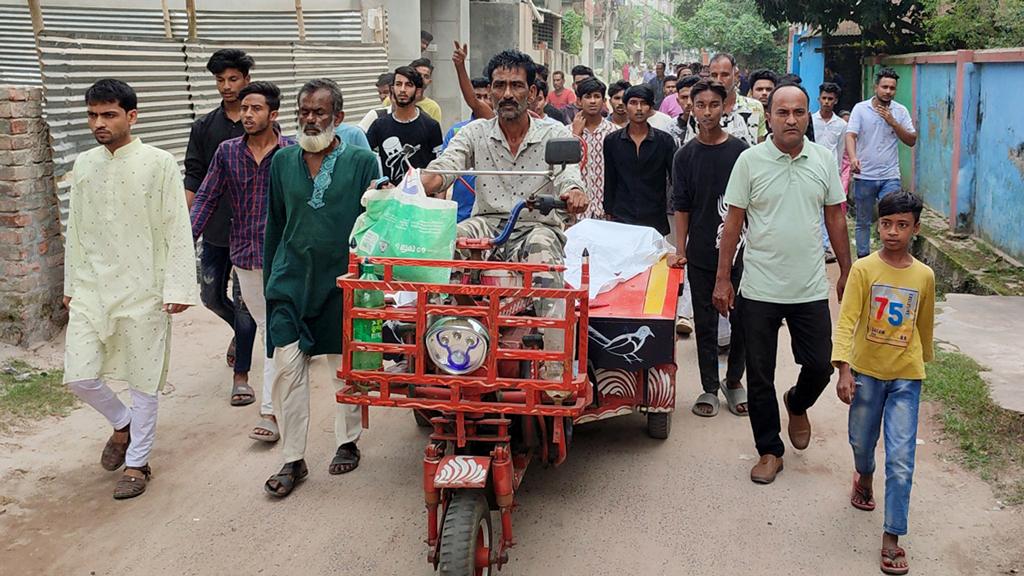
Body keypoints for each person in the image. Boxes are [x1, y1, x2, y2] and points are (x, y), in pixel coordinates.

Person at [64, 79, 197, 499]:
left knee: (143, 379)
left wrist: (177, 284)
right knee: (79, 375)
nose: (99, 123)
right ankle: (122, 423)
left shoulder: (158, 163)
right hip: (92, 288)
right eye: (92, 115)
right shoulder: (84, 164)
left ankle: (138, 462)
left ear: (131, 116)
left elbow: (177, 226)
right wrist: (71, 284)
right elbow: (77, 228)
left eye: (108, 114)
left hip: (145, 288)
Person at [421, 49, 588, 382]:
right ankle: (442, 345)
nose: (507, 94)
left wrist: (574, 194)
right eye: (499, 85)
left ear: (532, 92)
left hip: (535, 224)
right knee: (448, 240)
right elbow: (446, 166)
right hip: (488, 222)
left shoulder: (553, 133)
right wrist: (419, 183)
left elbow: (570, 176)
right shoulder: (474, 133)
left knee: (542, 249)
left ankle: (554, 361)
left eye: (516, 85)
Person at [713, 83, 852, 485]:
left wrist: (848, 271)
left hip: (808, 287)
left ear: (808, 116)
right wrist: (723, 279)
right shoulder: (750, 162)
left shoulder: (823, 159)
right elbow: (733, 224)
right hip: (758, 288)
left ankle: (797, 402)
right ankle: (770, 450)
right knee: (759, 375)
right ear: (769, 116)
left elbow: (836, 218)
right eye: (783, 113)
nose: (791, 120)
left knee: (820, 365)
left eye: (799, 112)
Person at [262, 78, 380, 497]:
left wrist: (371, 282)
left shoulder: (363, 161)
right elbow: (274, 224)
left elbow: (375, 224)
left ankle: (347, 440)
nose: (311, 120)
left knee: (342, 369)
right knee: (287, 368)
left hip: (344, 280)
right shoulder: (281, 162)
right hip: (290, 281)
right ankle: (293, 458)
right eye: (305, 112)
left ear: (339, 118)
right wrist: (269, 280)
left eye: (320, 113)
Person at [834, 191, 934, 576]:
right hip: (866, 374)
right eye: (887, 224)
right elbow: (847, 320)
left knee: (901, 458)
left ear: (916, 228)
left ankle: (892, 537)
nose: (893, 232)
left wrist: (922, 363)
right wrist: (844, 368)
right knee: (862, 441)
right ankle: (864, 476)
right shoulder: (863, 270)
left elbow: (923, 326)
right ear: (878, 225)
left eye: (902, 225)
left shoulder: (924, 276)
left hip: (906, 378)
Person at [191, 81, 295, 444]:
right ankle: (276, 403)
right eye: (245, 109)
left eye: (255, 109)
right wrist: (183, 241)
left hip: (287, 258)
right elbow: (205, 198)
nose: (247, 115)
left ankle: (270, 410)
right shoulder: (227, 153)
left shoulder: (293, 153)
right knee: (271, 330)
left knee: (275, 331)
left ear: (274, 114)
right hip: (247, 258)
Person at [670, 80, 749, 418]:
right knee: (705, 321)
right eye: (699, 105)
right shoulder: (684, 156)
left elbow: (753, 204)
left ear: (724, 106)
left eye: (713, 105)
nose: (706, 112)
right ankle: (709, 386)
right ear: (691, 108)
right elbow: (682, 207)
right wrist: (681, 249)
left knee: (744, 318)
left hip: (743, 250)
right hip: (701, 249)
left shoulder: (743, 152)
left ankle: (734, 381)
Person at [184, 48, 258, 408]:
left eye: (233, 79)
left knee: (247, 306)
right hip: (214, 230)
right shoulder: (203, 127)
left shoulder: (262, 126)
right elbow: (194, 178)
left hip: (251, 234)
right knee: (210, 296)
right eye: (220, 80)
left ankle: (240, 377)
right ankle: (239, 333)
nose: (226, 86)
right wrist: (187, 230)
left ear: (246, 79)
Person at [846, 68, 917, 259]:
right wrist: (853, 158)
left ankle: (892, 256)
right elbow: (851, 135)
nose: (888, 91)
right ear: (875, 87)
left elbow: (911, 140)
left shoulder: (900, 111)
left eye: (892, 88)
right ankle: (863, 260)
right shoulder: (861, 109)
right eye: (884, 87)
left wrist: (892, 122)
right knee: (863, 221)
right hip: (865, 175)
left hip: (890, 176)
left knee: (894, 215)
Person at [603, 85, 677, 236]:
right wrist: (608, 211)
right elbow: (610, 178)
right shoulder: (612, 141)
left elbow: (674, 179)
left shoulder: (665, 141)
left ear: (650, 108)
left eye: (643, 103)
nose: (638, 108)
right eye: (633, 103)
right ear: (625, 106)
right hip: (622, 215)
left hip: (654, 216)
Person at [366, 66, 443, 185]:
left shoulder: (431, 126)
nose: (402, 89)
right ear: (392, 89)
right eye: (398, 84)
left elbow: (438, 169)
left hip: (421, 198)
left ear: (418, 91)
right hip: (388, 198)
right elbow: (366, 161)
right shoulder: (379, 125)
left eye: (408, 85)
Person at [686, 53, 766, 147]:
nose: (719, 80)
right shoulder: (700, 110)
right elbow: (691, 147)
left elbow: (761, 146)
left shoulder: (755, 107)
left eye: (725, 75)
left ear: (736, 76)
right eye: (714, 75)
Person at [442, 76, 491, 221]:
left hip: (491, 214)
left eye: (486, 97)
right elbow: (444, 171)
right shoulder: (456, 132)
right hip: (461, 213)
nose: (482, 101)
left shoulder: (503, 132)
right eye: (477, 97)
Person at [571, 77, 617, 221]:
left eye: (597, 96)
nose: (592, 101)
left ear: (604, 102)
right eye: (588, 96)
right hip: (577, 211)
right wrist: (575, 135)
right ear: (579, 101)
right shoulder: (566, 133)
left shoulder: (614, 133)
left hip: (606, 211)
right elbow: (564, 167)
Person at [813, 82, 848, 263]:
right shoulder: (810, 120)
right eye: (824, 98)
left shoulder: (841, 125)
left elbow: (841, 150)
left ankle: (825, 247)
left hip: (831, 171)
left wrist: (839, 172)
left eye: (830, 99)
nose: (826, 102)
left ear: (835, 101)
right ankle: (815, 244)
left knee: (829, 209)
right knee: (814, 208)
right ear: (819, 99)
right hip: (812, 169)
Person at [668, 74, 700, 146]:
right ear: (678, 101)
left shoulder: (712, 125)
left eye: (693, 97)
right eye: (684, 97)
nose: (689, 102)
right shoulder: (669, 129)